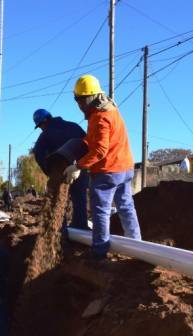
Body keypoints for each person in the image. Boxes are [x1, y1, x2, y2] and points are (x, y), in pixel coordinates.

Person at [64, 74, 141, 259]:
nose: (79, 104)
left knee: (101, 210)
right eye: (77, 100)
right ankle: (137, 246)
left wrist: (78, 166)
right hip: (125, 167)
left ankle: (99, 251)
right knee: (126, 206)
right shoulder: (111, 109)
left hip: (108, 171)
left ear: (91, 97)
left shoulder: (99, 117)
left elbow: (100, 150)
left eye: (81, 100)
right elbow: (97, 140)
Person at [32, 108, 89, 229]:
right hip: (79, 168)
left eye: (40, 126)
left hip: (60, 172)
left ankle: (59, 230)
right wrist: (82, 165)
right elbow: (87, 143)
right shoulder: (74, 126)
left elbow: (38, 154)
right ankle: (81, 227)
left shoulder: (45, 134)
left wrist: (49, 171)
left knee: (59, 200)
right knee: (80, 199)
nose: (41, 128)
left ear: (43, 122)